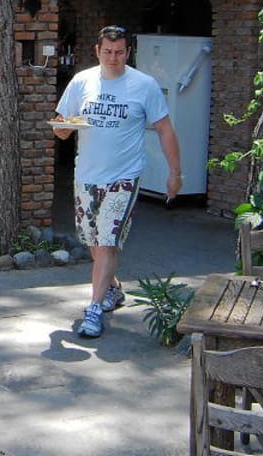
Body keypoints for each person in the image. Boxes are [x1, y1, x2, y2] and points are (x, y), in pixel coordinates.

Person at [53, 25, 181, 338]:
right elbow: (60, 123)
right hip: (86, 175)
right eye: (108, 52)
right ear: (97, 51)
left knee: (108, 241)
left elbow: (165, 129)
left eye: (120, 52)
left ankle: (94, 309)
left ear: (128, 52)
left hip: (124, 177)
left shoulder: (143, 85)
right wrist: (63, 129)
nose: (114, 58)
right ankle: (112, 287)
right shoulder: (82, 81)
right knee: (94, 243)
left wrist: (175, 173)